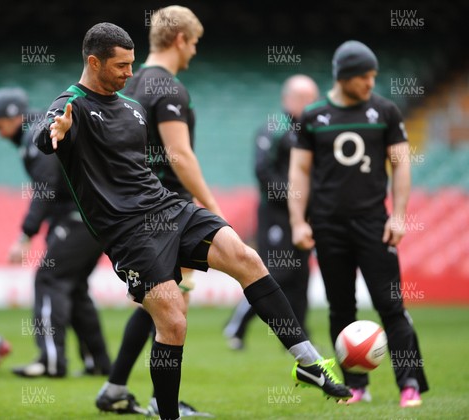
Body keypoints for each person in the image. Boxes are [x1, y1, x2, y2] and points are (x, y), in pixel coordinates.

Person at [33, 22, 351, 419]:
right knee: (173, 321)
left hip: (168, 208)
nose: (130, 74)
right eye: (121, 66)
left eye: (132, 64)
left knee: (247, 258)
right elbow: (45, 136)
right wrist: (55, 131)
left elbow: (144, 167)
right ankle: (166, 412)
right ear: (93, 62)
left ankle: (307, 362)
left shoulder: (132, 109)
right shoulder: (71, 103)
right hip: (127, 233)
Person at [95, 6, 221, 416]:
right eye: (195, 43)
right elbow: (179, 155)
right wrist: (211, 209)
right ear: (181, 39)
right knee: (170, 309)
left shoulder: (130, 85)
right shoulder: (166, 87)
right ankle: (157, 400)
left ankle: (116, 386)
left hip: (137, 207)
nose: (195, 52)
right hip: (166, 208)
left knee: (157, 306)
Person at [289, 40, 428, 407]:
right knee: (341, 308)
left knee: (391, 304)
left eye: (373, 75)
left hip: (373, 223)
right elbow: (299, 171)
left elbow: (401, 163)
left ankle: (409, 383)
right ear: (345, 76)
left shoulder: (384, 111)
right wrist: (298, 222)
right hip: (328, 225)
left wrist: (398, 215)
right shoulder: (313, 116)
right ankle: (356, 385)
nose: (371, 82)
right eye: (364, 76)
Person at [0, 88, 111, 377]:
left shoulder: (35, 135)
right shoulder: (38, 129)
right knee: (74, 288)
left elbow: (46, 185)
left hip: (78, 219)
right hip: (94, 219)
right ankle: (99, 362)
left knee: (49, 278)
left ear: (12, 116)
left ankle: (51, 361)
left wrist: (25, 235)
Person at [223, 75, 318, 350]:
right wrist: (294, 198)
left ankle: (298, 338)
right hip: (275, 214)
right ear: (289, 99)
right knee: (274, 272)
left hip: (304, 215)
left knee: (300, 275)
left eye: (313, 98)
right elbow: (262, 170)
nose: (310, 104)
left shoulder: (310, 131)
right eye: (304, 98)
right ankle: (237, 325)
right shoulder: (274, 128)